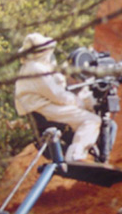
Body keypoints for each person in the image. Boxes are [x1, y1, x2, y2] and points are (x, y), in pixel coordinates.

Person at [14, 33, 101, 162]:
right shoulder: (36, 69)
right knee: (92, 120)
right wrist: (79, 102)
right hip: (44, 109)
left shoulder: (28, 67)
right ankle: (75, 156)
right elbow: (57, 95)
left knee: (82, 115)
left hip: (40, 108)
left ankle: (80, 150)